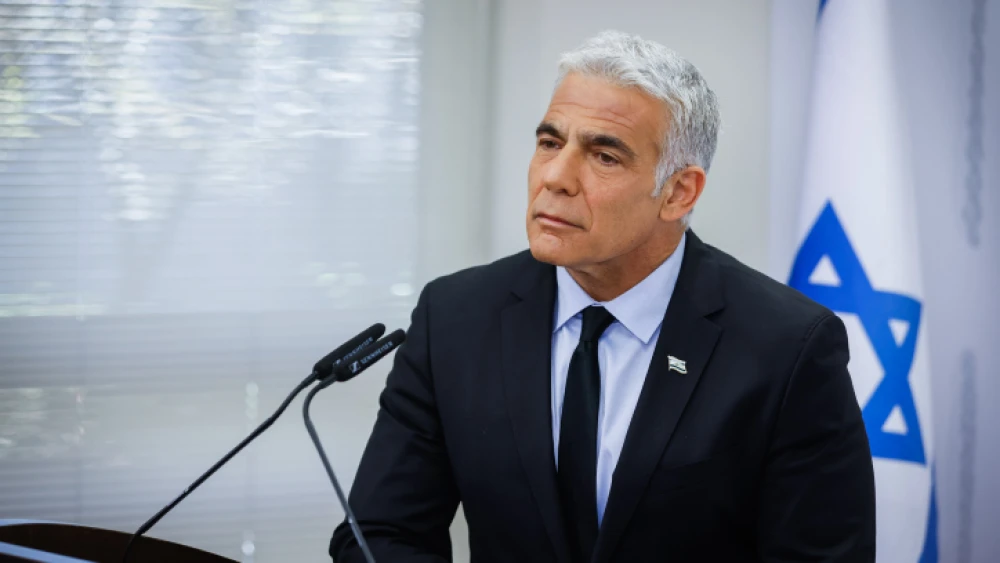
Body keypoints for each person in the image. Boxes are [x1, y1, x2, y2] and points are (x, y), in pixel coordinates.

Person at [330, 30, 875, 563]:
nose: (556, 177)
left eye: (604, 156)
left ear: (678, 192)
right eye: (549, 143)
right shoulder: (454, 317)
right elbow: (378, 532)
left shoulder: (786, 348)